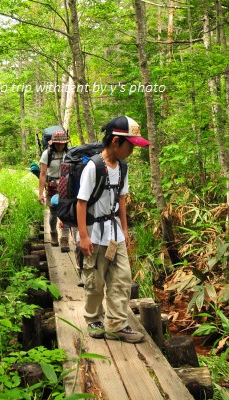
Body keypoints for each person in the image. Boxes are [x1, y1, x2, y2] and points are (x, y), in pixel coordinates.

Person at [76, 116, 150, 343]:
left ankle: (118, 323)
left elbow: (122, 200)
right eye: (131, 145)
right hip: (94, 234)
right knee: (95, 280)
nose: (133, 151)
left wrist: (125, 231)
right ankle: (93, 319)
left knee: (122, 278)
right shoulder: (93, 167)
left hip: (114, 234)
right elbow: (81, 203)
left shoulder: (123, 168)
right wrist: (84, 237)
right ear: (116, 141)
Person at [38, 129, 70, 249]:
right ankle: (53, 233)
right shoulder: (47, 154)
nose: (60, 145)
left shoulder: (69, 153)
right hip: (52, 186)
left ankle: (65, 239)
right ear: (53, 143)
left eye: (63, 143)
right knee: (54, 213)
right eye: (58, 143)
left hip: (67, 186)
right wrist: (40, 193)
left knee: (66, 213)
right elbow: (42, 174)